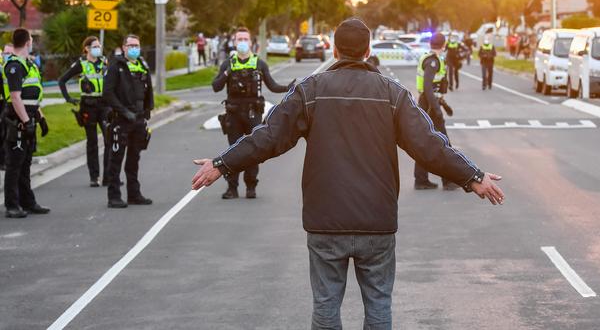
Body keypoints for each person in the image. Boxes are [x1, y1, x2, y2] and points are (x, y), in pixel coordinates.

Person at [192, 18, 505, 329]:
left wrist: (222, 163)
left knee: (326, 311)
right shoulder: (392, 94)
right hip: (377, 222)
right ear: (368, 51)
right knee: (379, 309)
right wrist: (473, 177)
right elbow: (429, 144)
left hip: (325, 222)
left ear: (334, 49)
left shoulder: (310, 91)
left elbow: (267, 136)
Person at [211, 26, 294, 199]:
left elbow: (272, 85)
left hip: (253, 113)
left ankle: (251, 187)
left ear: (250, 42)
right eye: (239, 39)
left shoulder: (259, 63)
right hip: (233, 115)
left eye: (245, 39)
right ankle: (231, 188)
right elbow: (216, 86)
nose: (242, 42)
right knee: (233, 151)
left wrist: (289, 88)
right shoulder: (228, 64)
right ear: (234, 42)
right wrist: (228, 72)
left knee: (254, 151)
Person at [2, 28, 50, 218]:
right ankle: (12, 205)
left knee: (25, 163)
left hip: (29, 118)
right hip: (17, 121)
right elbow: (15, 97)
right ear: (28, 42)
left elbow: (32, 97)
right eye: (32, 40)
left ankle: (27, 202)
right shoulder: (14, 66)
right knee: (14, 165)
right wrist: (27, 121)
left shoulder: (28, 65)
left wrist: (41, 118)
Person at [102, 34, 154, 208]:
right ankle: (114, 196)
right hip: (121, 119)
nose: (134, 48)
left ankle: (134, 194)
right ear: (123, 47)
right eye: (131, 45)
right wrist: (123, 111)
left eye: (137, 45)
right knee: (116, 159)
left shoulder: (142, 65)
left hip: (138, 119)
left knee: (134, 159)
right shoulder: (116, 66)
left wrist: (148, 110)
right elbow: (107, 92)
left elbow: (149, 90)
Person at [58, 36, 111, 187]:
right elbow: (62, 80)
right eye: (95, 46)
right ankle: (94, 177)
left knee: (110, 139)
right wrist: (68, 98)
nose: (98, 48)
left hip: (105, 106)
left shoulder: (105, 62)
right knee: (92, 142)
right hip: (88, 106)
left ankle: (108, 176)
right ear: (87, 48)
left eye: (99, 46)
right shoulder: (81, 64)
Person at [414, 32, 457, 190]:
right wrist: (437, 110)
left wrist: (444, 105)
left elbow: (433, 88)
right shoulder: (433, 61)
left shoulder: (430, 58)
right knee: (443, 143)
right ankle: (448, 180)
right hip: (430, 106)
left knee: (426, 143)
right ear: (444, 45)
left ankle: (421, 180)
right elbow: (427, 87)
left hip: (429, 103)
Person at [0, 43, 14, 171]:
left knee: (8, 134)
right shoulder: (1, 69)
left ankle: (5, 160)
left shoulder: (15, 68)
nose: (7, 56)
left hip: (11, 105)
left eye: (10, 53)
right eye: (6, 53)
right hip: (3, 104)